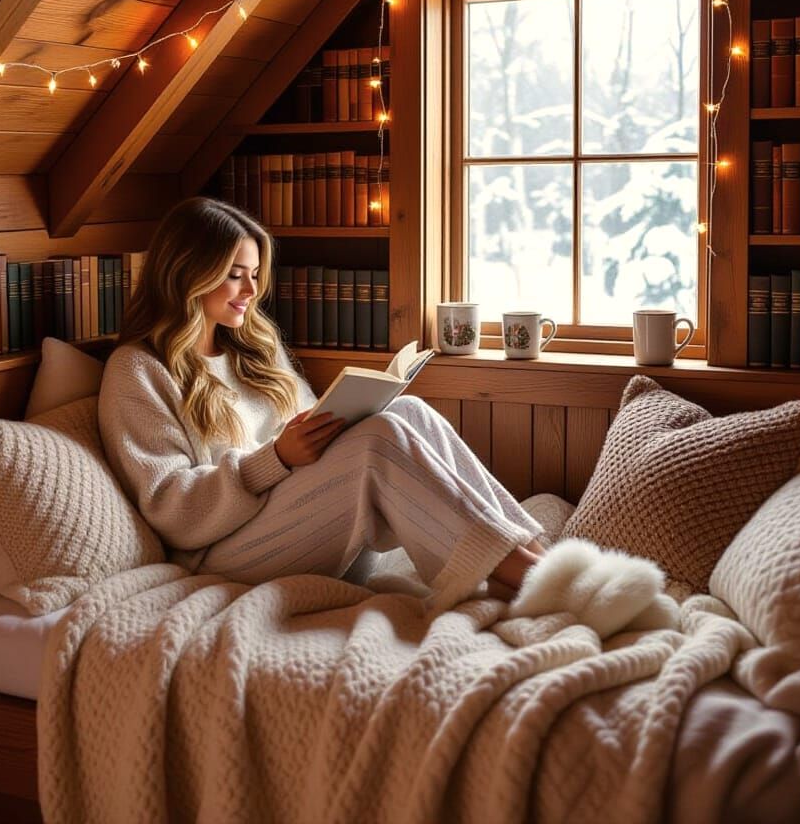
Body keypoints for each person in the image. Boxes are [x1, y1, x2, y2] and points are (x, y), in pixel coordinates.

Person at [98, 196, 545, 608]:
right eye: (235, 275)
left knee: (409, 412)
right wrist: (274, 459)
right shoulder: (138, 370)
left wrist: (333, 423)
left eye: (254, 274)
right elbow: (172, 510)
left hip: (306, 523)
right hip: (223, 553)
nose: (251, 290)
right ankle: (530, 577)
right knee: (378, 439)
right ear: (186, 272)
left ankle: (535, 555)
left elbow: (310, 421)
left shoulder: (254, 347)